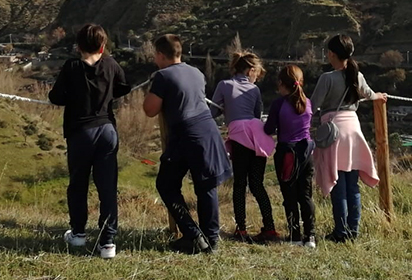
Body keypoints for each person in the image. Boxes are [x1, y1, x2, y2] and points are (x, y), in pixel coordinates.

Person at [143, 34, 232, 254]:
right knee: (206, 186)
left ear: (161, 55)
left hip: (185, 133)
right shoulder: (197, 73)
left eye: (156, 55)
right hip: (208, 130)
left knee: (166, 184)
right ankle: (211, 240)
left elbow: (150, 109)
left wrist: (154, 88)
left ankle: (192, 233)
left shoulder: (162, 76)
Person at [48, 24, 131, 259]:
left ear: (78, 46)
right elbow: (125, 86)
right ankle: (107, 244)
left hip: (80, 132)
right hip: (106, 131)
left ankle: (78, 234)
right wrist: (106, 95)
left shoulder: (72, 67)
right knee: (107, 188)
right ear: (103, 46)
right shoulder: (111, 64)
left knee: (78, 185)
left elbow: (55, 96)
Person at [310, 34, 386, 243]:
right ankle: (354, 230)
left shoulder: (327, 78)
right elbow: (370, 94)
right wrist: (379, 96)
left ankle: (340, 232)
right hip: (354, 130)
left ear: (331, 54)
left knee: (338, 185)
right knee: (353, 185)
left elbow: (313, 105)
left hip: (334, 132)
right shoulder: (357, 75)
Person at [211, 52, 278, 243]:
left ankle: (241, 228)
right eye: (257, 72)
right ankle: (270, 227)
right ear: (250, 70)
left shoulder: (224, 85)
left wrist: (227, 109)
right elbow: (257, 114)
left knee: (240, 184)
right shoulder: (254, 90)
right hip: (257, 137)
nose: (257, 76)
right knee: (257, 184)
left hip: (240, 137)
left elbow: (213, 111)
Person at [264, 65, 316, 249]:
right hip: (307, 153)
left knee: (290, 196)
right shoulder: (307, 102)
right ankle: (310, 236)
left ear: (280, 83)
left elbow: (269, 129)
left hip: (287, 154)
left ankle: (295, 235)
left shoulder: (279, 104)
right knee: (306, 196)